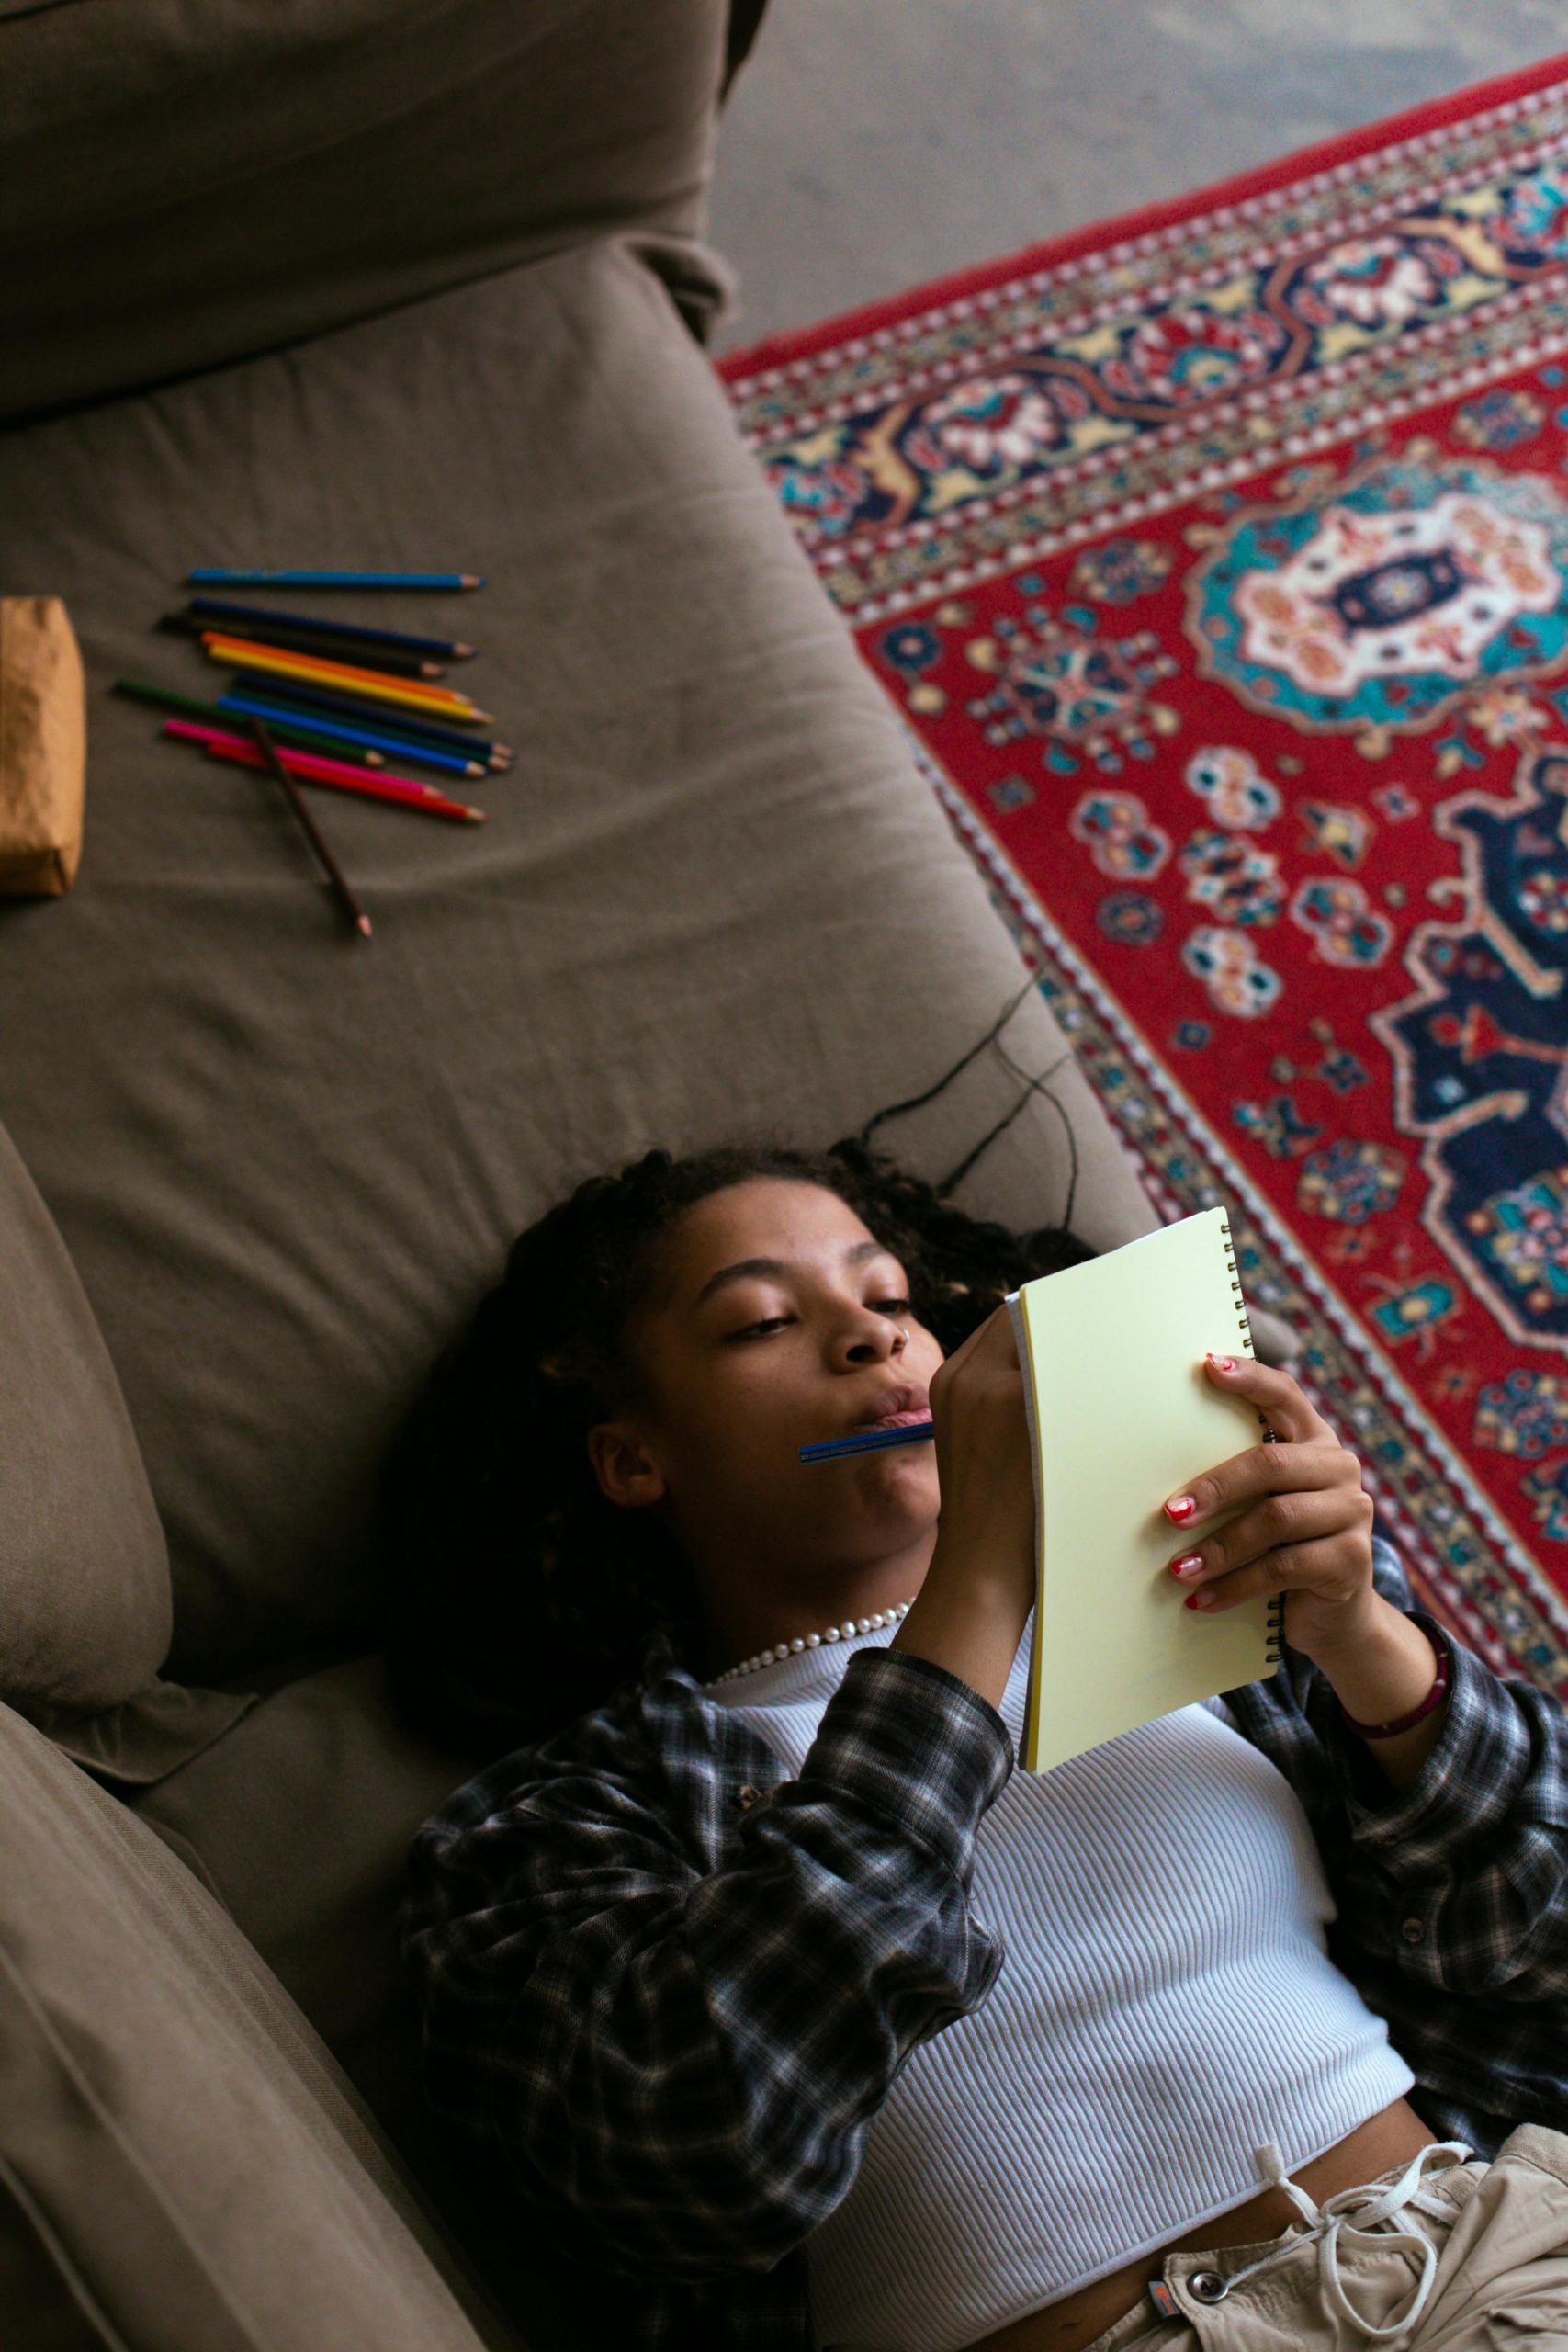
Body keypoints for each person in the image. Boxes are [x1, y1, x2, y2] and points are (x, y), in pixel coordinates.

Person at [389, 1117, 1568, 2352]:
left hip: (1482, 2267)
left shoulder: (1198, 1609)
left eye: (890, 1296)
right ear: (633, 1458)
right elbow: (685, 2156)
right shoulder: (545, 1826)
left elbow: (1549, 1969)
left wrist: (1371, 1644)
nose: (871, 1335)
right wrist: (979, 1588)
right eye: (760, 1322)